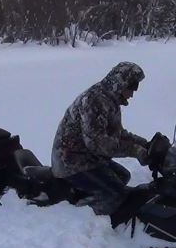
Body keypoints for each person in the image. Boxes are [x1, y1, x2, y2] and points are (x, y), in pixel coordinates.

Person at [51, 61, 154, 221]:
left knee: (122, 176)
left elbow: (117, 134)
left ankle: (87, 196)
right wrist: (135, 151)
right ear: (121, 82)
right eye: (132, 87)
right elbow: (98, 143)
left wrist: (146, 144)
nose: (133, 93)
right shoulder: (95, 100)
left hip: (87, 157)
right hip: (70, 161)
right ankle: (78, 217)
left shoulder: (109, 100)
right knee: (116, 194)